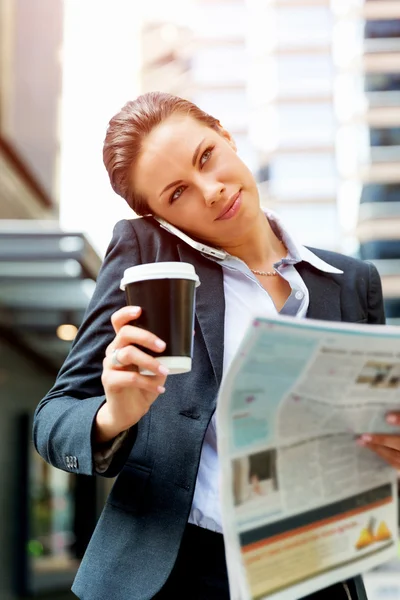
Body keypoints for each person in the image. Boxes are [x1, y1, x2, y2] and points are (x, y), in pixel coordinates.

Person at [33, 92, 400, 600]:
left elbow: (375, 436)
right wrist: (113, 414)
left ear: (226, 136)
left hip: (314, 569)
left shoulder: (352, 281)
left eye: (206, 156)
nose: (210, 190)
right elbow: (53, 418)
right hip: (177, 570)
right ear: (160, 217)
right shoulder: (148, 255)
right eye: (176, 192)